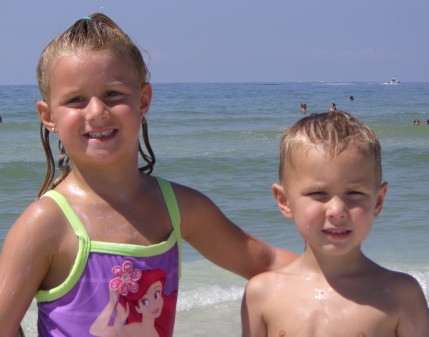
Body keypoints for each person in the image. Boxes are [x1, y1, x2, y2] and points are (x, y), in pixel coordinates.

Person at [0, 14, 297, 336]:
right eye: (76, 100)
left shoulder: (178, 207)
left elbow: (264, 262)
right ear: (48, 116)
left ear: (143, 100)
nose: (97, 111)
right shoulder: (45, 223)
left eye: (113, 94)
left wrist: (350, 278)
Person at [241, 111, 429, 337]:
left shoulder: (400, 295)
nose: (337, 210)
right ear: (285, 201)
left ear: (377, 201)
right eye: (319, 193)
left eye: (354, 193)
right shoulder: (262, 294)